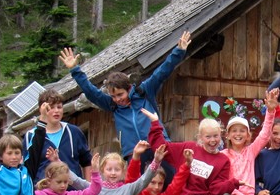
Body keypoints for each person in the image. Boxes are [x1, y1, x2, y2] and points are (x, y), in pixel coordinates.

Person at [61, 31, 189, 169]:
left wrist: (179, 51)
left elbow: (162, 72)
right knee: (140, 190)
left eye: (120, 94)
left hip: (159, 147)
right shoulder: (112, 105)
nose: (117, 99)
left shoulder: (144, 92)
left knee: (170, 186)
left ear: (128, 89)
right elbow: (91, 92)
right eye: (113, 96)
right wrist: (75, 69)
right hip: (134, 153)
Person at [144, 109, 253, 195]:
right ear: (200, 137)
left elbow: (215, 188)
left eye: (215, 136)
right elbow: (162, 147)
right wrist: (155, 123)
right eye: (208, 137)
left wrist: (233, 183)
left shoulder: (222, 160)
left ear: (221, 136)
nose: (213, 140)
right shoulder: (189, 148)